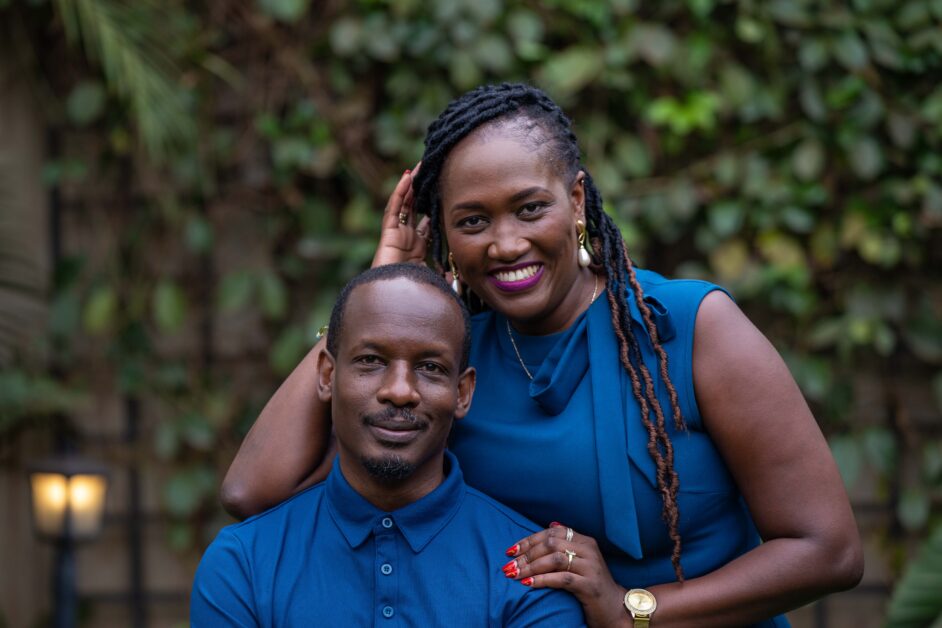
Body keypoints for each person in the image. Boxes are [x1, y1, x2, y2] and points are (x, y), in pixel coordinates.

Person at [220, 84, 863, 627]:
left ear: (576, 202)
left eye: (530, 209)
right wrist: (381, 279)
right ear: (441, 231)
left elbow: (828, 550)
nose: (504, 244)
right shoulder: (449, 366)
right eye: (471, 222)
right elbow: (257, 492)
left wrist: (633, 609)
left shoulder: (688, 330)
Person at [192, 264, 586, 626]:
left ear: (463, 392)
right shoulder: (243, 563)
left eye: (430, 367)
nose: (399, 391)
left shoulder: (531, 569)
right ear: (328, 375)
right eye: (371, 361)